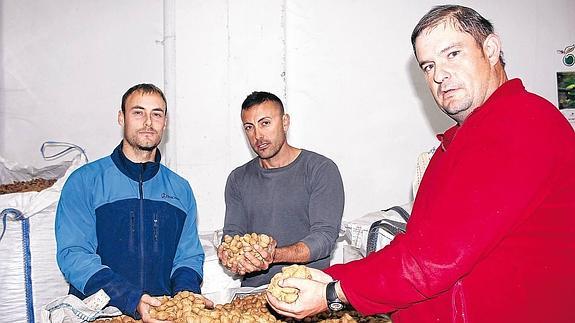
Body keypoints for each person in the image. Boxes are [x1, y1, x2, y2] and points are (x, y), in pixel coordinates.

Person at [267, 5, 575, 322]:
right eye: (428, 66)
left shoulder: (522, 123)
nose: (439, 75)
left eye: (452, 54)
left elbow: (434, 260)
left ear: (491, 49)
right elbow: (417, 248)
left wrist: (333, 294)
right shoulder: (454, 147)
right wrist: (333, 277)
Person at [55, 84, 205, 321]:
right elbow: (74, 254)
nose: (148, 122)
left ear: (165, 123)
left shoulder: (180, 189)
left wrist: (186, 299)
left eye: (156, 114)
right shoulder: (85, 181)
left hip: (160, 315)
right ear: (121, 117)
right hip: (102, 314)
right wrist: (130, 298)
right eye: (138, 112)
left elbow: (188, 255)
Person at [218, 91, 345, 287]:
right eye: (249, 127)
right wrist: (229, 254)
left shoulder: (320, 169)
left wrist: (274, 255)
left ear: (285, 122)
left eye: (265, 123)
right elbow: (233, 234)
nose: (258, 135)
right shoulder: (238, 178)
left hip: (308, 290)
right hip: (253, 295)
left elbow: (324, 238)